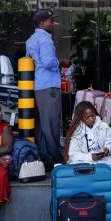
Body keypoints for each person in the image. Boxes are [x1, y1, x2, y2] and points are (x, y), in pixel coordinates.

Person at [26, 9, 63, 166]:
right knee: (52, 124)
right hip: (49, 86)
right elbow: (48, 62)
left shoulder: (31, 40)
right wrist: (59, 62)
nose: (52, 23)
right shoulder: (45, 40)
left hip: (39, 85)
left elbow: (29, 61)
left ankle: (46, 158)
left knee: (42, 125)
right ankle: (57, 159)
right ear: (41, 23)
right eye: (50, 21)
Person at [64, 101, 111, 170]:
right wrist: (89, 157)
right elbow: (72, 154)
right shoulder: (77, 132)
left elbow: (110, 143)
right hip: (84, 161)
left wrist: (107, 149)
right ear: (81, 118)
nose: (91, 119)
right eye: (87, 117)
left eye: (93, 116)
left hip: (102, 160)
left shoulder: (104, 127)